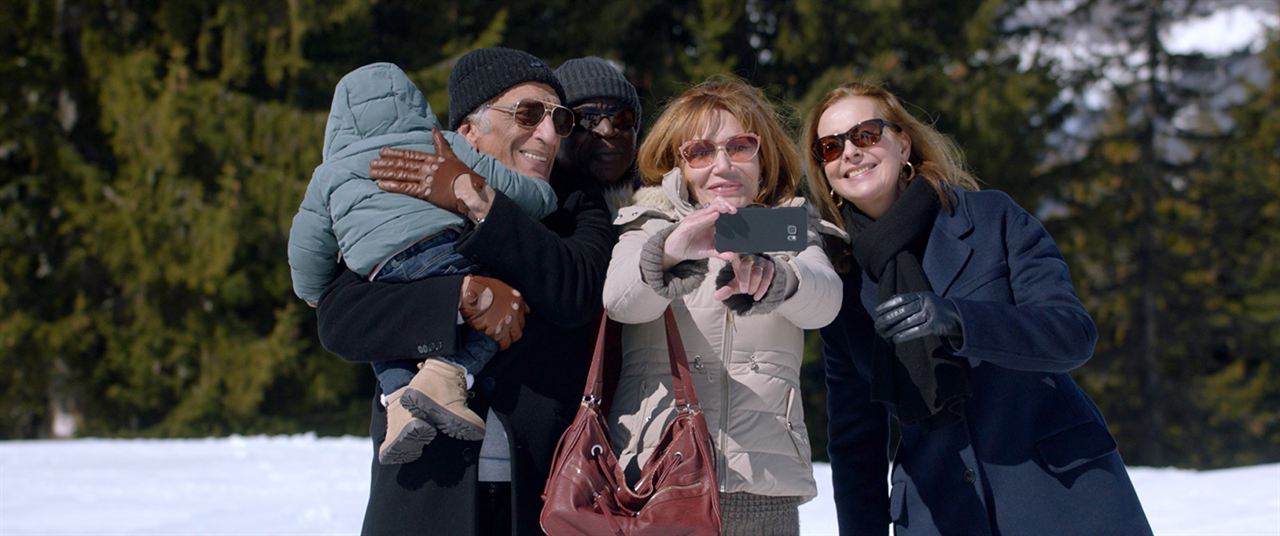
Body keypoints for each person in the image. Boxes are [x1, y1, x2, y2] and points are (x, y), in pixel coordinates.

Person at [802, 81, 1153, 535]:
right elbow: (856, 445)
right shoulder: (841, 281)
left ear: (903, 142)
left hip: (1062, 495)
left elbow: (1071, 334)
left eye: (866, 134)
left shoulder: (992, 217)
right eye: (830, 147)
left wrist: (960, 319)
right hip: (940, 513)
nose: (849, 152)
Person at [313, 47, 618, 535]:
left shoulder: (575, 203)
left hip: (541, 498)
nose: (547, 133)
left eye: (558, 120)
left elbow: (576, 291)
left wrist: (483, 204)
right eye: (528, 113)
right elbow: (340, 317)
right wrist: (460, 298)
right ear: (468, 131)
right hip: (424, 497)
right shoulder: (404, 197)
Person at [602, 77, 842, 535]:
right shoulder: (647, 222)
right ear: (678, 161)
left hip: (761, 487)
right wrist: (671, 250)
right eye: (700, 152)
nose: (723, 165)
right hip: (656, 480)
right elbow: (621, 303)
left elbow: (825, 303)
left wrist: (781, 279)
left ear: (764, 153)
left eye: (740, 145)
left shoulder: (787, 226)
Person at [288, 62, 559, 465]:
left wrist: (310, 289)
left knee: (387, 339)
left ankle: (398, 401)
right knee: (502, 302)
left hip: (378, 273)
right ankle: (449, 375)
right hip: (440, 250)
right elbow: (500, 183)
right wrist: (544, 199)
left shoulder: (329, 175)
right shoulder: (441, 144)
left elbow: (307, 242)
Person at [553, 56, 643, 215]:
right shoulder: (530, 213)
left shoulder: (674, 208)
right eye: (587, 119)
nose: (607, 130)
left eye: (623, 118)